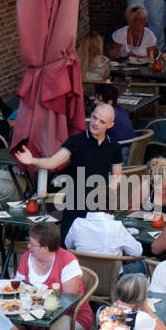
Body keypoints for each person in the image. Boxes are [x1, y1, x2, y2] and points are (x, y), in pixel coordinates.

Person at [15, 102, 122, 241]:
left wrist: (106, 197)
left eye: (102, 121)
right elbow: (53, 161)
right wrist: (33, 161)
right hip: (75, 201)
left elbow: (117, 177)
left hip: (99, 204)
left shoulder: (114, 147)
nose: (96, 123)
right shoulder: (76, 141)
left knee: (97, 243)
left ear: (110, 125)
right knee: (68, 242)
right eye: (94, 118)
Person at [16, 221, 94, 330]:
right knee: (9, 328)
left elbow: (67, 301)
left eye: (32, 244)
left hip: (72, 314)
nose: (28, 247)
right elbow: (18, 289)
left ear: (45, 248)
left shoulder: (67, 261)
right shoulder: (27, 257)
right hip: (32, 314)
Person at [64, 211, 145, 274]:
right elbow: (138, 252)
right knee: (141, 264)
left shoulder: (77, 223)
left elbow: (68, 245)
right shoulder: (116, 226)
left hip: (86, 280)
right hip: (114, 282)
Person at [92, 82, 133, 147]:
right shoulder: (120, 109)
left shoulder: (107, 115)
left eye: (99, 100)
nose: (95, 102)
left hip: (117, 152)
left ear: (109, 102)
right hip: (130, 149)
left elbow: (94, 137)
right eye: (95, 98)